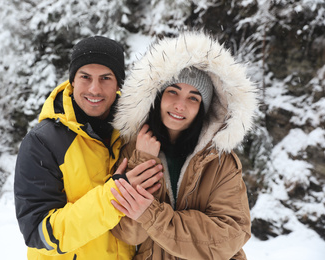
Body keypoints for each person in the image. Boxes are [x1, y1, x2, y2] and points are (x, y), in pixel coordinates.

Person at [110, 31, 257, 259]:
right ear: (158, 96)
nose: (180, 105)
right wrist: (143, 161)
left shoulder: (219, 161)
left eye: (193, 98)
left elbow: (229, 236)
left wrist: (152, 215)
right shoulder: (132, 150)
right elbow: (128, 234)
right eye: (173, 92)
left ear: (202, 109)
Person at [14, 35, 163, 260]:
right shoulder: (42, 142)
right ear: (73, 81)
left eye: (105, 78)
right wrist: (115, 195)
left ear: (118, 84)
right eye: (85, 77)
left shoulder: (134, 133)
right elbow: (39, 233)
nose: (94, 89)